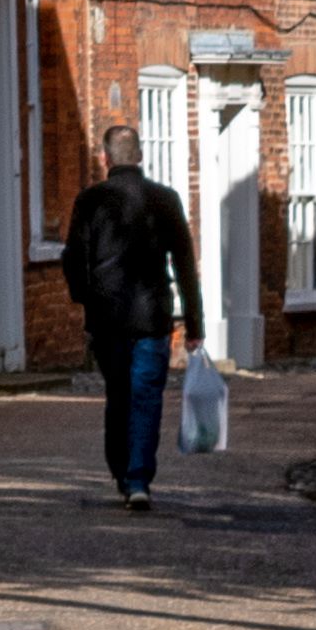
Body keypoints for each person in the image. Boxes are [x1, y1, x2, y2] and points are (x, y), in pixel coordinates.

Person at [64, 128, 203, 506]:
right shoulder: (165, 199)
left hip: (107, 317)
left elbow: (75, 258)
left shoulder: (90, 201)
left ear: (105, 158)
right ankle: (138, 477)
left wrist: (86, 299)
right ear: (140, 156)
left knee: (119, 395)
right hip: (152, 315)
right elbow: (185, 264)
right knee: (146, 397)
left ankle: (122, 470)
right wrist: (194, 324)